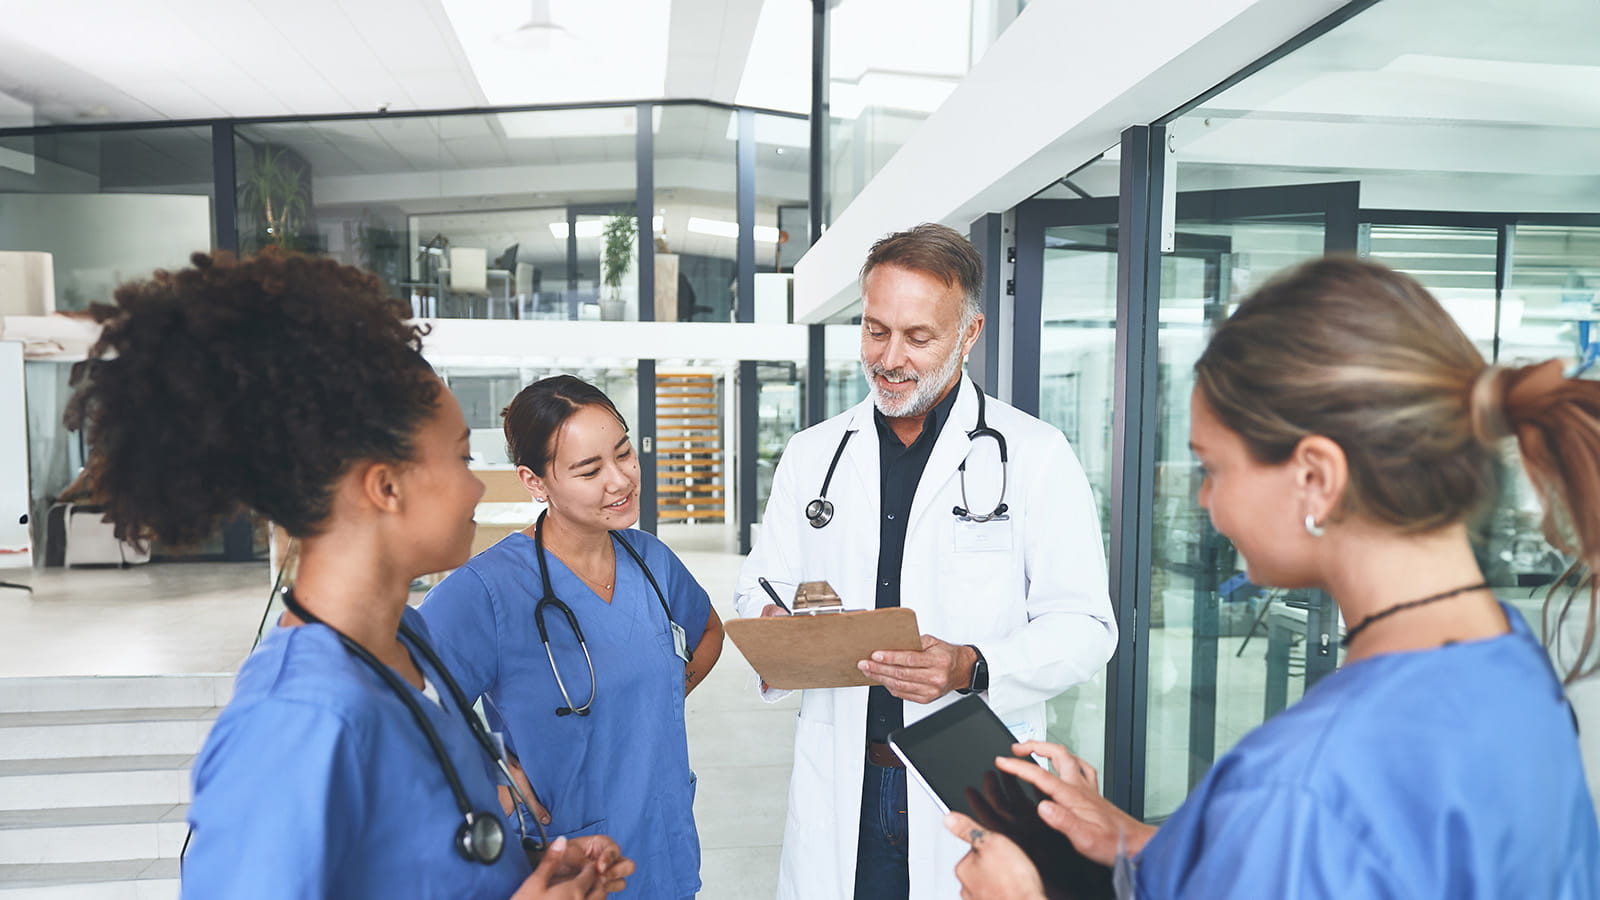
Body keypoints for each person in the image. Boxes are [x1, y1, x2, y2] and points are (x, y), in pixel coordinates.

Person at [945, 257, 1600, 898]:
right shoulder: (1514, 666)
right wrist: (1143, 843)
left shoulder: (1307, 782)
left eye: (1213, 468)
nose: (1206, 502)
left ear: (1316, 477)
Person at [66, 249, 633, 898]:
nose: (477, 486)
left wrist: (531, 870)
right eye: (460, 457)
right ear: (385, 487)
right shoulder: (296, 723)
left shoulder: (409, 644)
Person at [733, 223, 1118, 899]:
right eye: (875, 330)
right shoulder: (815, 454)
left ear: (969, 335)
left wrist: (971, 664)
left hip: (965, 775)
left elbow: (1087, 624)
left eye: (918, 337)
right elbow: (761, 583)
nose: (889, 357)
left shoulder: (1033, 454)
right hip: (845, 770)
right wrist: (776, 621)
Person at [420, 374, 725, 900]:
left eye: (624, 453)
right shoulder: (487, 590)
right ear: (535, 482)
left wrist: (661, 694)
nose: (620, 480)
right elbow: (408, 713)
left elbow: (708, 630)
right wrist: (491, 779)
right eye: (589, 470)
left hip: (664, 848)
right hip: (568, 870)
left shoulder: (650, 558)